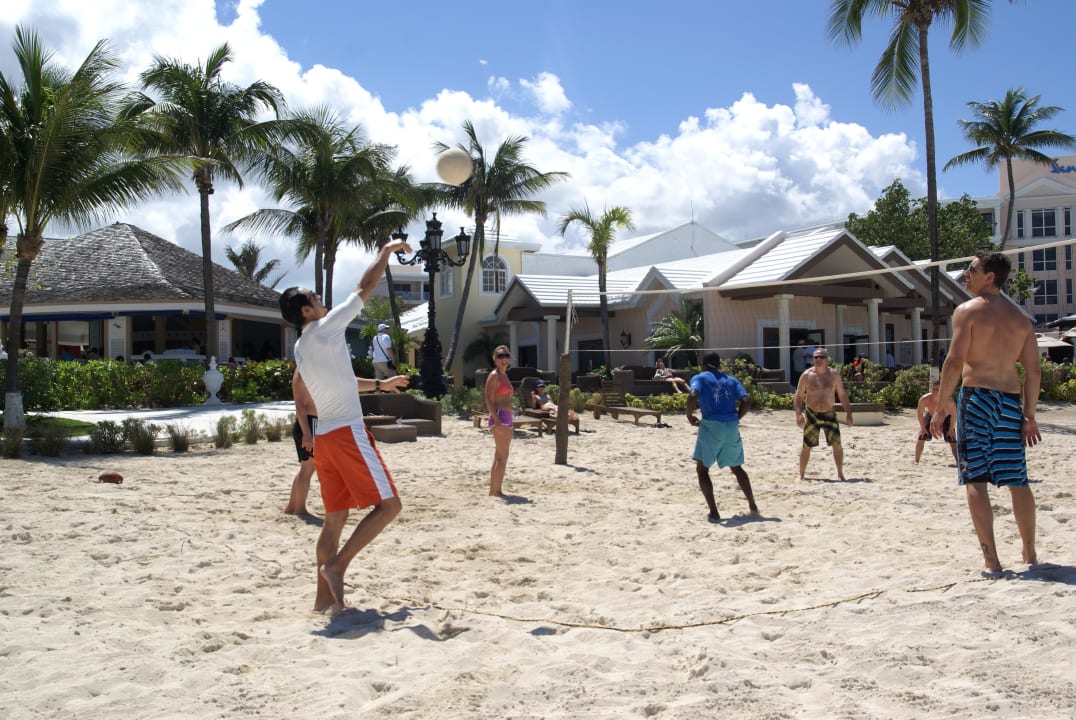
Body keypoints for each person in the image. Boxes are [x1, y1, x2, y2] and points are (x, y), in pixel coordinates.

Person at [278, 236, 412, 611]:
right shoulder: (325, 329)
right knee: (390, 507)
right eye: (315, 297)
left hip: (325, 442)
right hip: (348, 434)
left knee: (333, 521)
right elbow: (364, 287)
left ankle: (324, 602)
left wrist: (380, 385)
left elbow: (342, 381)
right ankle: (337, 568)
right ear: (305, 310)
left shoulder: (304, 346)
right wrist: (385, 252)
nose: (322, 300)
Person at [931, 251, 1042, 577]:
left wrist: (941, 408)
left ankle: (992, 561)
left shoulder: (967, 312)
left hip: (977, 398)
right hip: (1009, 400)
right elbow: (1033, 371)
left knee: (975, 478)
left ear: (989, 277)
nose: (966, 274)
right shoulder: (1022, 319)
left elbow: (953, 362)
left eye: (971, 269)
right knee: (1017, 479)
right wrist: (1029, 415)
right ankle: (1029, 552)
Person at [685, 352, 760, 522]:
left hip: (711, 426)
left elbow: (693, 394)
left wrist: (689, 414)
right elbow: (746, 401)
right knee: (737, 467)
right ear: (719, 365)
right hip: (731, 426)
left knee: (702, 470)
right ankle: (752, 504)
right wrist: (737, 417)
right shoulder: (731, 380)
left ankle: (714, 511)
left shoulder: (701, 378)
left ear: (704, 365)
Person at [794, 347, 853, 481]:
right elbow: (798, 396)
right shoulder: (806, 375)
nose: (819, 359)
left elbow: (842, 395)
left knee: (837, 445)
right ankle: (801, 474)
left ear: (827, 359)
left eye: (822, 357)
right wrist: (798, 414)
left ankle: (840, 473)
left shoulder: (834, 375)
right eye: (816, 357)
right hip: (811, 414)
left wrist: (848, 413)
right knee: (806, 446)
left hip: (829, 413)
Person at [484, 344, 515, 497]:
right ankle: (496, 492)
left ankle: (494, 490)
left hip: (507, 416)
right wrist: (496, 419)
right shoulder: (495, 375)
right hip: (500, 417)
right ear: (494, 359)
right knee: (503, 456)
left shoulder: (504, 374)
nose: (504, 359)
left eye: (506, 356)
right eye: (500, 356)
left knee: (499, 455)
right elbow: (488, 399)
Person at [286, 371, 318, 517]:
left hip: (308, 424)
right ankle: (300, 509)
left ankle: (292, 507)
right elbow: (300, 406)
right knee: (307, 470)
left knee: (305, 470)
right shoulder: (303, 372)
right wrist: (307, 433)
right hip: (309, 424)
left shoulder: (305, 368)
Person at [915, 380, 957, 464]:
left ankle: (958, 461)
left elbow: (954, 415)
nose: (934, 391)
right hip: (931, 415)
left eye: (937, 390)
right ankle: (916, 460)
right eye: (933, 389)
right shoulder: (925, 399)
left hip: (946, 418)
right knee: (921, 435)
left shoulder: (949, 401)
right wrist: (923, 428)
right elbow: (919, 413)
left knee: (952, 438)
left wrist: (951, 428)